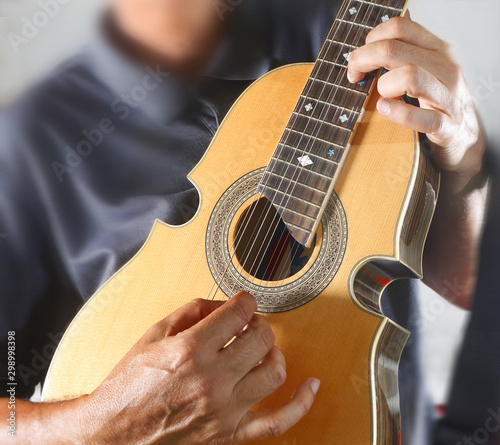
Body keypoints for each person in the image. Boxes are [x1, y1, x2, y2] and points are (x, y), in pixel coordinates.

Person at [0, 0, 489, 443]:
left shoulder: (356, 47)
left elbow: (465, 284)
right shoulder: (33, 138)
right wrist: (100, 425)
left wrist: (464, 161)